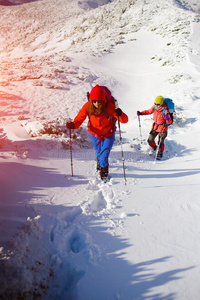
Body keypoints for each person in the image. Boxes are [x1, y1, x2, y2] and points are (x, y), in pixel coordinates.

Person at [66, 85, 128, 180]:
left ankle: (104, 172)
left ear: (103, 100)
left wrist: (121, 113)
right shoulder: (87, 106)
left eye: (99, 101)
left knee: (104, 155)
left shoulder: (110, 107)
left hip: (108, 134)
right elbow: (80, 118)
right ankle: (100, 163)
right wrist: (73, 125)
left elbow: (124, 120)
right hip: (94, 134)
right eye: (94, 101)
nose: (97, 104)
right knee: (99, 152)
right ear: (91, 100)